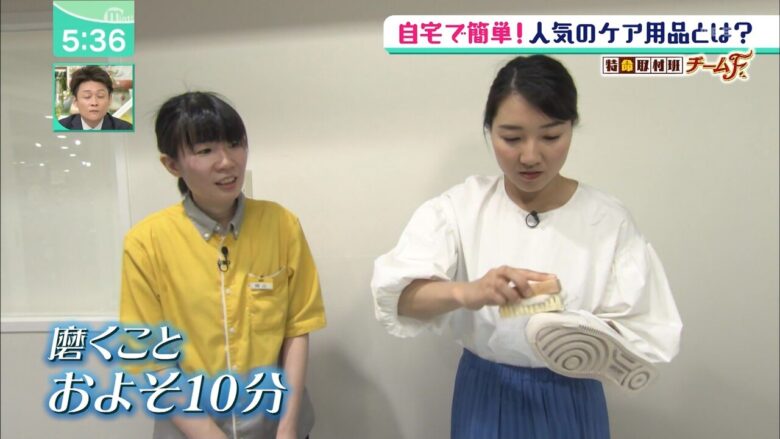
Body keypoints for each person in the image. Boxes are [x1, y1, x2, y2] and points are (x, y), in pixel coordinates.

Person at [371, 55, 682, 439]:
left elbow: (645, 330)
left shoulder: (607, 220)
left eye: (551, 137)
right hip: (486, 395)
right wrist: (469, 292)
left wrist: (582, 331)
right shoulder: (460, 208)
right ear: (489, 131)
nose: (530, 156)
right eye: (512, 138)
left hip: (573, 397)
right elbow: (400, 299)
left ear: (571, 128)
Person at [120, 91, 325, 439]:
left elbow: (297, 328)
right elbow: (151, 359)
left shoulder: (281, 225)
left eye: (234, 144)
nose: (227, 161)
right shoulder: (146, 242)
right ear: (172, 165)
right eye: (205, 151)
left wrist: (288, 428)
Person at [58, 65, 133, 130]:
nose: (94, 103)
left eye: (100, 96)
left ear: (110, 99)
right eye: (87, 96)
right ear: (75, 101)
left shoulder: (127, 129)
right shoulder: (60, 127)